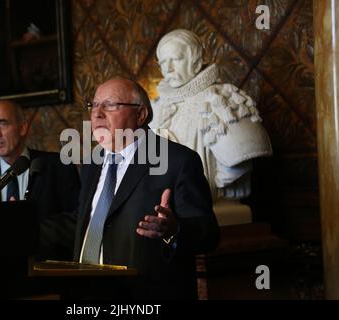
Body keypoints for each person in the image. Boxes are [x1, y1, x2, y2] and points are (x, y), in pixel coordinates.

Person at [74, 77, 219, 299]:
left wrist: (174, 230)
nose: (97, 113)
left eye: (110, 104)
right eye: (94, 105)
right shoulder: (91, 164)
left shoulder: (178, 161)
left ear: (140, 115)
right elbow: (82, 224)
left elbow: (208, 234)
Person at [150, 29, 272, 202]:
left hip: (207, 206)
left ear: (195, 60)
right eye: (163, 62)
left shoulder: (221, 100)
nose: (169, 69)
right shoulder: (156, 107)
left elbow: (235, 169)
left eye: (176, 59)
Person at [0, 100, 80, 260]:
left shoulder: (58, 166)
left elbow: (76, 223)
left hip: (46, 271)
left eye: (3, 124)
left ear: (23, 127)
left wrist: (26, 231)